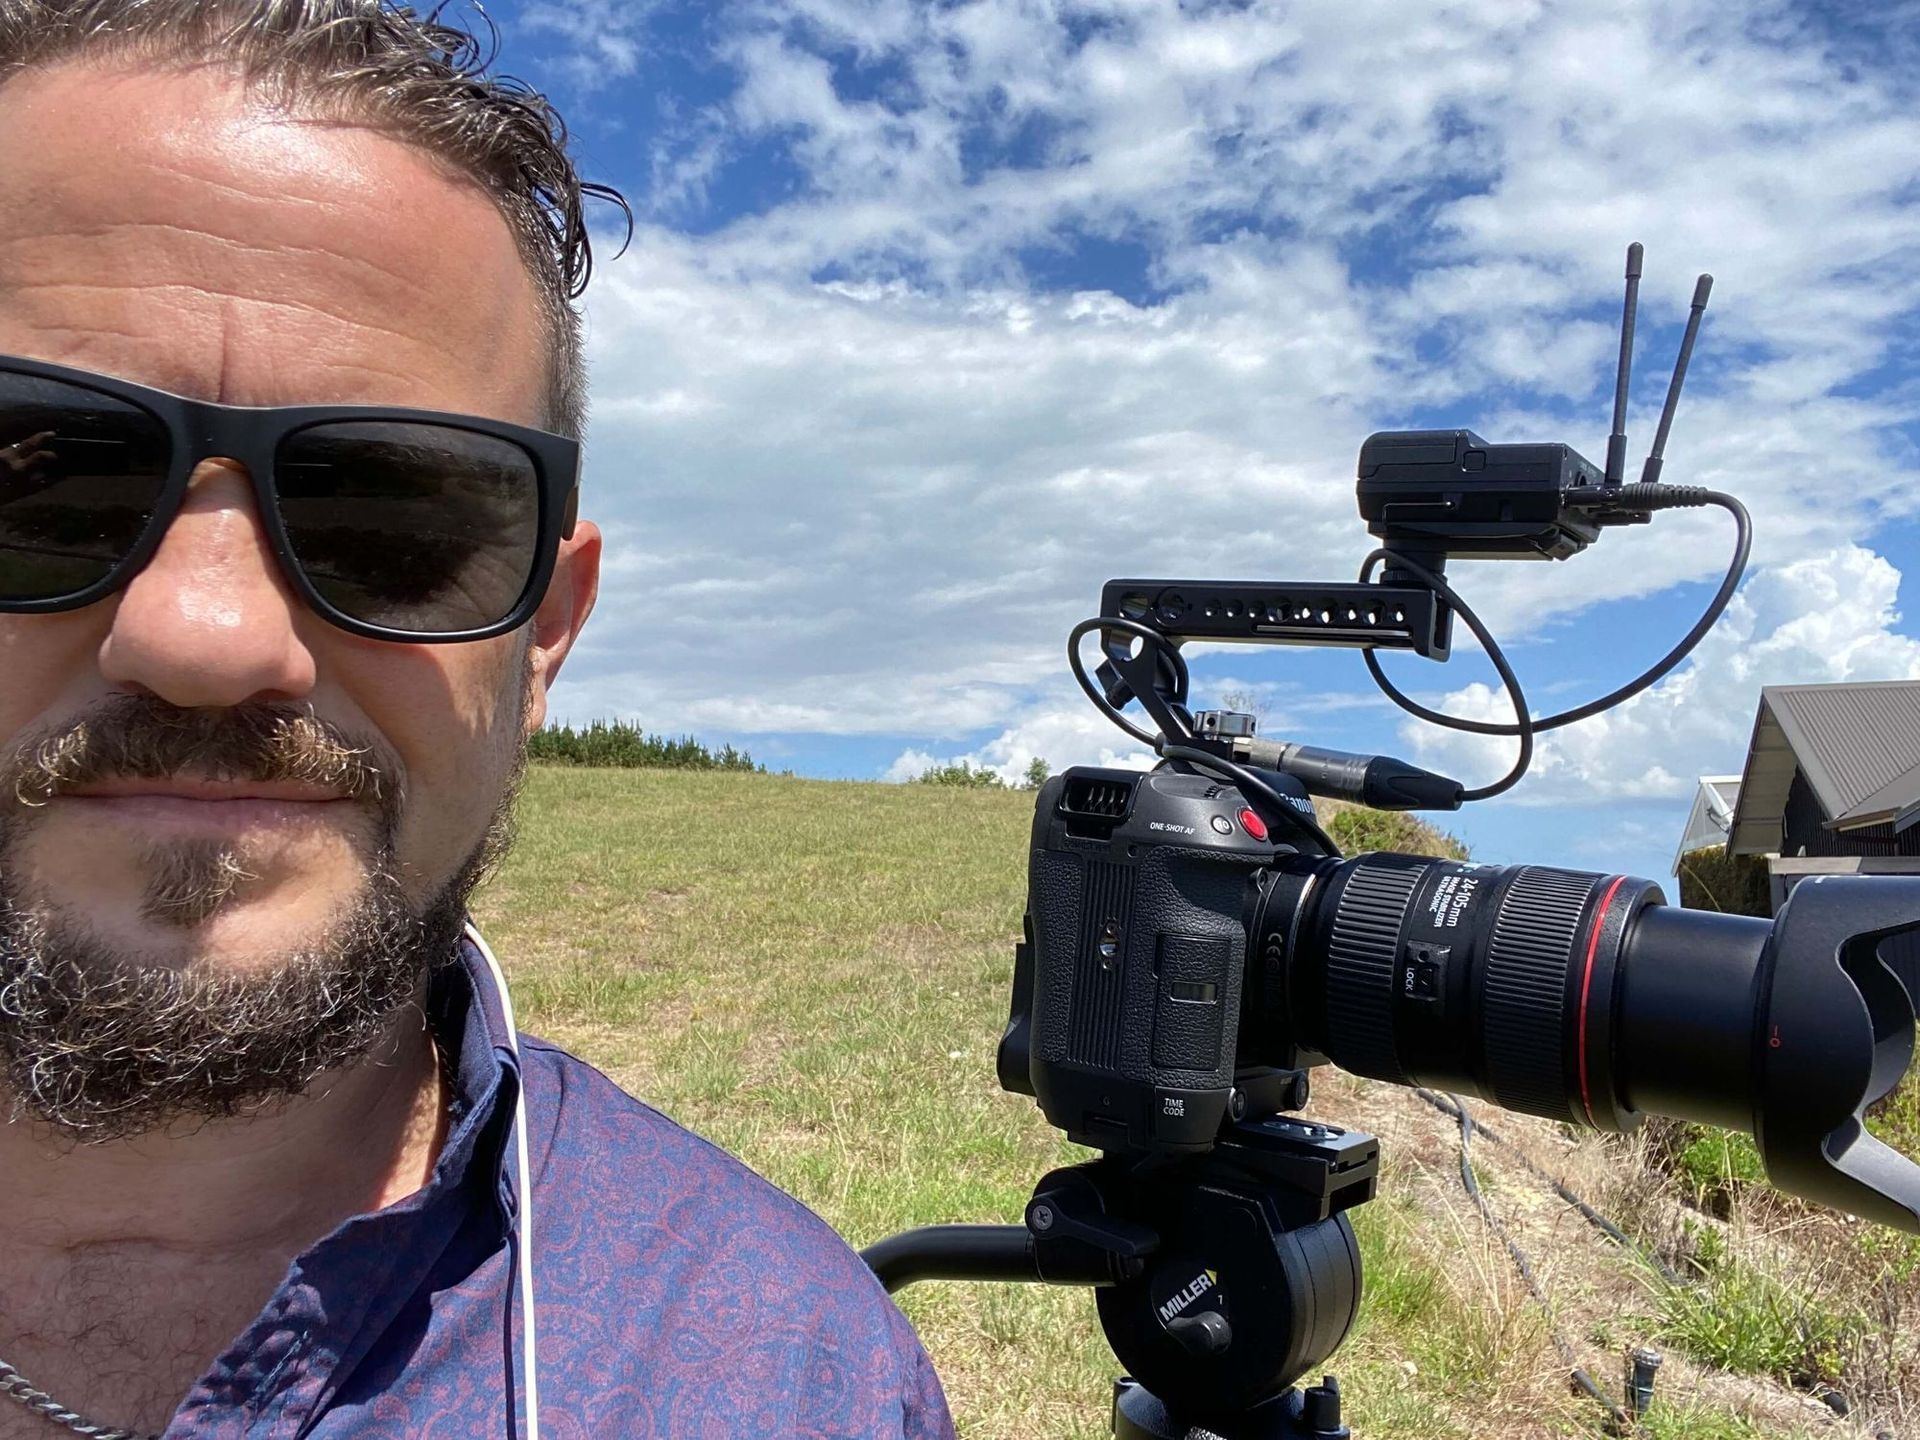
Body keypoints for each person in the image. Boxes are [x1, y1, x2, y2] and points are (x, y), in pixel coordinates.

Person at [0, 2, 954, 1436]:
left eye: (393, 513)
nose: (206, 638)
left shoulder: (795, 1375)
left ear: (545, 634)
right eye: (42, 488)